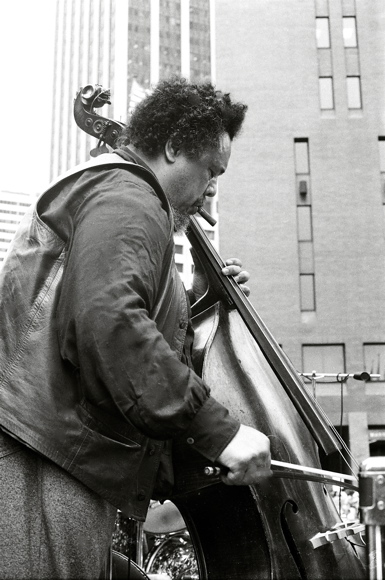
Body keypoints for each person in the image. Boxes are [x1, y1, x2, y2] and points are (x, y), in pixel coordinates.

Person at [0, 77, 270, 579]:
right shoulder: (128, 194)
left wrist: (201, 302)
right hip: (46, 450)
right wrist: (217, 430)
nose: (213, 191)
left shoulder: (125, 199)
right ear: (172, 147)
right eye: (211, 170)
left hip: (60, 451)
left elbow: (119, 315)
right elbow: (111, 320)